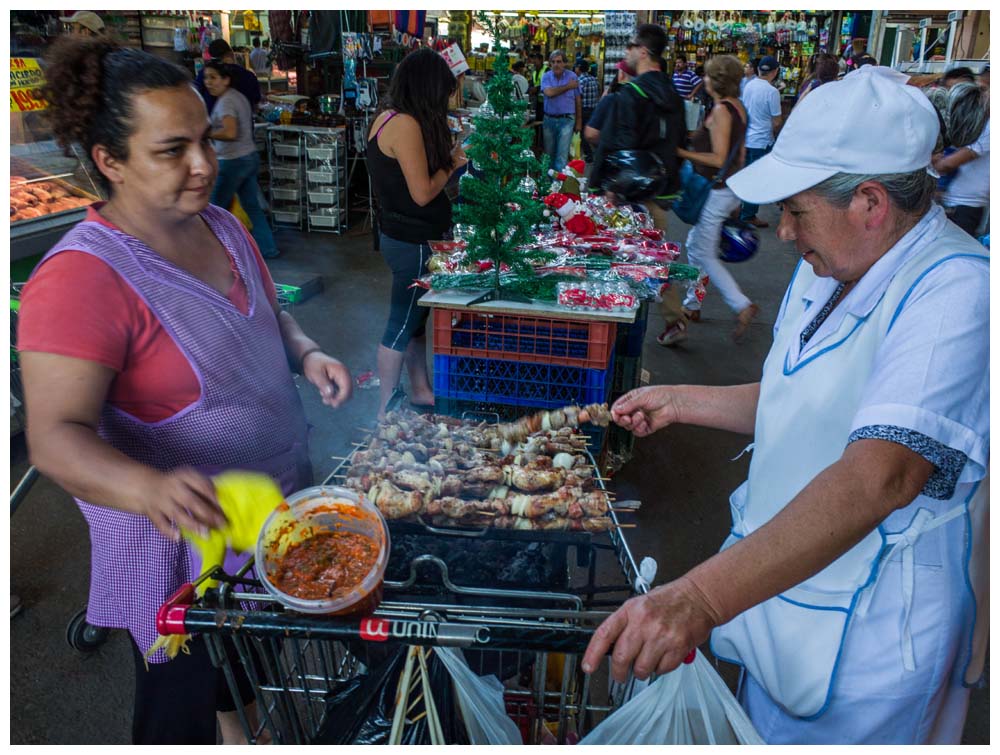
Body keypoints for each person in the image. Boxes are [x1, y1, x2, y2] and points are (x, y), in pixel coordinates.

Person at [583, 66, 988, 745]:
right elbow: (801, 394)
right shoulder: (826, 264)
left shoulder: (957, 294)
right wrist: (681, 400)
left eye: (797, 211)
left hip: (870, 646)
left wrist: (700, 597)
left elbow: (881, 473)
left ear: (870, 202)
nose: (783, 233)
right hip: (779, 592)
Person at [20, 36, 352, 745]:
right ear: (109, 161)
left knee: (245, 664)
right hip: (183, 552)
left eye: (204, 138)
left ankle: (243, 729)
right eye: (173, 150)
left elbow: (268, 313)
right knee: (181, 699)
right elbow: (55, 437)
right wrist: (147, 488)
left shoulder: (225, 227)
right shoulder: (80, 280)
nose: (204, 164)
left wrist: (309, 352)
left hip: (269, 507)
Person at [367, 48, 467, 420]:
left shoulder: (388, 117)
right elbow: (423, 192)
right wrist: (454, 164)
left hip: (404, 235)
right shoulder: (405, 125)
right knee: (401, 321)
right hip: (411, 241)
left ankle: (421, 390)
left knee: (415, 320)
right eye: (442, 93)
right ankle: (385, 411)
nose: (444, 102)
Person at [658, 55, 754, 346]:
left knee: (705, 253)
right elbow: (739, 157)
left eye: (708, 76)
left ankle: (741, 304)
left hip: (716, 190)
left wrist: (682, 153)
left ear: (718, 80)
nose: (704, 80)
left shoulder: (723, 111)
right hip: (727, 189)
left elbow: (720, 158)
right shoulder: (737, 108)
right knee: (697, 245)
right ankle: (693, 304)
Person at [589, 24, 685, 202]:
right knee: (656, 230)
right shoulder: (673, 92)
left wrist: (598, 185)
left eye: (631, 45)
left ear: (643, 51)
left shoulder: (631, 92)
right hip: (664, 188)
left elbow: (615, 142)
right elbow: (680, 139)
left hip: (630, 191)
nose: (626, 51)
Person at [202, 60, 279, 259]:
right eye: (206, 78)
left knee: (214, 210)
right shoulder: (238, 97)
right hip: (248, 157)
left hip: (232, 161)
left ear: (226, 80)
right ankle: (268, 248)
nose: (208, 82)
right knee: (252, 206)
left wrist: (206, 132)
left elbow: (230, 132)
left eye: (213, 78)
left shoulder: (227, 101)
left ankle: (216, 256)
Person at [932, 82, 990, 236]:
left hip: (965, 206)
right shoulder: (972, 122)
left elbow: (948, 164)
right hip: (954, 202)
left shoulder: (988, 127)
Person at [738, 55, 783, 228]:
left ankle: (742, 210)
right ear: (775, 72)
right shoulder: (772, 92)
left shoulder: (749, 86)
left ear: (758, 70)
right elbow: (777, 121)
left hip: (748, 139)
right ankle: (748, 215)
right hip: (762, 140)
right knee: (756, 178)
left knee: (746, 176)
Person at [195, 39, 262, 115]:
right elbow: (256, 101)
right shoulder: (248, 75)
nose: (208, 82)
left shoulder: (204, 74)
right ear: (231, 53)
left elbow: (196, 97)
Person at [540, 50, 581, 171]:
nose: (556, 64)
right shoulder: (546, 77)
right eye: (553, 62)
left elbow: (578, 100)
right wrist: (568, 86)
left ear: (564, 63)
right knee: (548, 156)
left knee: (561, 157)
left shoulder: (572, 76)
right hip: (549, 120)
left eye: (559, 61)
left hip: (567, 121)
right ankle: (548, 186)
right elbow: (549, 92)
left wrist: (579, 121)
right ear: (550, 64)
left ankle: (559, 186)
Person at [574, 60, 599, 162]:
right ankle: (594, 153)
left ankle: (589, 155)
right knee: (590, 133)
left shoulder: (580, 80)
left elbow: (577, 97)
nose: (575, 69)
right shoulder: (594, 79)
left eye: (576, 67)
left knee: (582, 134)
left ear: (579, 68)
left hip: (583, 110)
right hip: (593, 110)